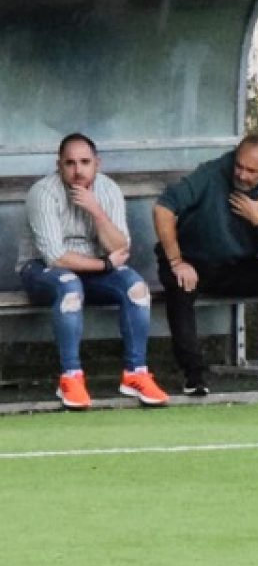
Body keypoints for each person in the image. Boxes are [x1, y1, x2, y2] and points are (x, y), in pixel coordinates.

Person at [19, 133, 168, 409]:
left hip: (92, 269)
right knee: (69, 287)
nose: (78, 170)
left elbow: (120, 247)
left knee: (136, 288)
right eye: (70, 163)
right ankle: (71, 377)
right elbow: (56, 257)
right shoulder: (43, 192)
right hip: (41, 271)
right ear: (59, 165)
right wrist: (106, 265)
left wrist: (96, 211)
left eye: (85, 162)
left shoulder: (108, 190)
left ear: (97, 163)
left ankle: (135, 373)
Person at [153, 134, 258, 396]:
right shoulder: (211, 173)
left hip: (233, 266)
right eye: (239, 166)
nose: (242, 175)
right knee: (181, 284)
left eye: (251, 171)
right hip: (189, 259)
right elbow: (163, 209)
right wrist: (177, 261)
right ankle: (193, 373)